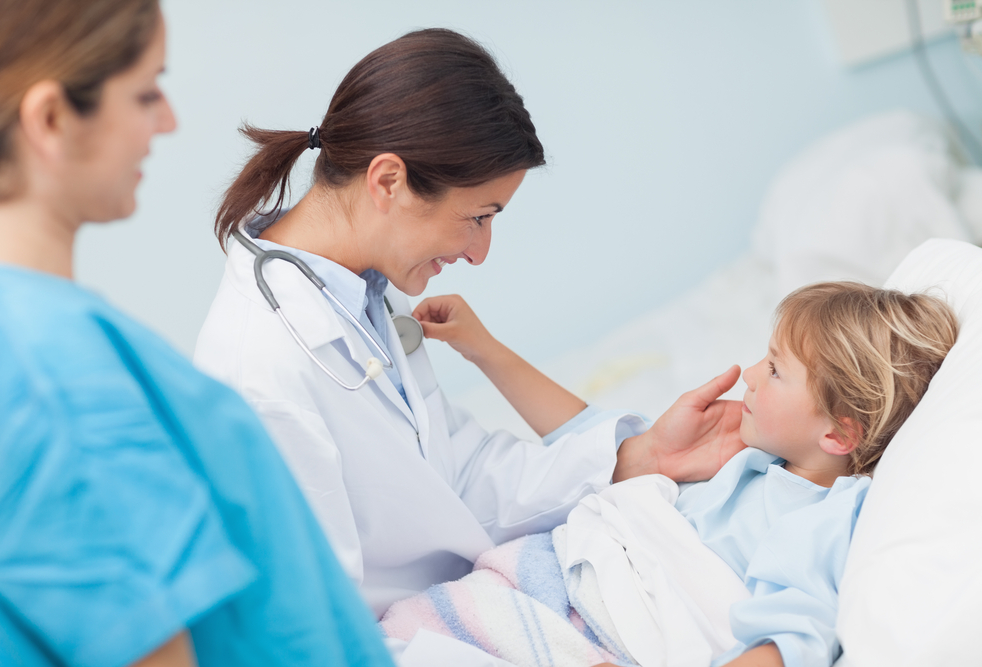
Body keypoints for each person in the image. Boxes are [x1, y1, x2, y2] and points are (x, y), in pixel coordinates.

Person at [194, 27, 747, 655]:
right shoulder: (263, 368)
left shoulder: (359, 289)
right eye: (477, 217)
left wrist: (638, 458)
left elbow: (457, 474)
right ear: (388, 181)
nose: (480, 253)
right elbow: (320, 639)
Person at [0, 2, 394, 666]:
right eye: (146, 92)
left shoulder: (25, 336)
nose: (168, 120)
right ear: (51, 118)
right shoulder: (48, 369)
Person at [386, 283, 958, 667]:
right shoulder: (746, 452)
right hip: (546, 581)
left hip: (599, 627)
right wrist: (482, 348)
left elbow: (790, 635)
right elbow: (587, 437)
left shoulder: (820, 516)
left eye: (776, 369)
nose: (750, 373)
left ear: (838, 434)